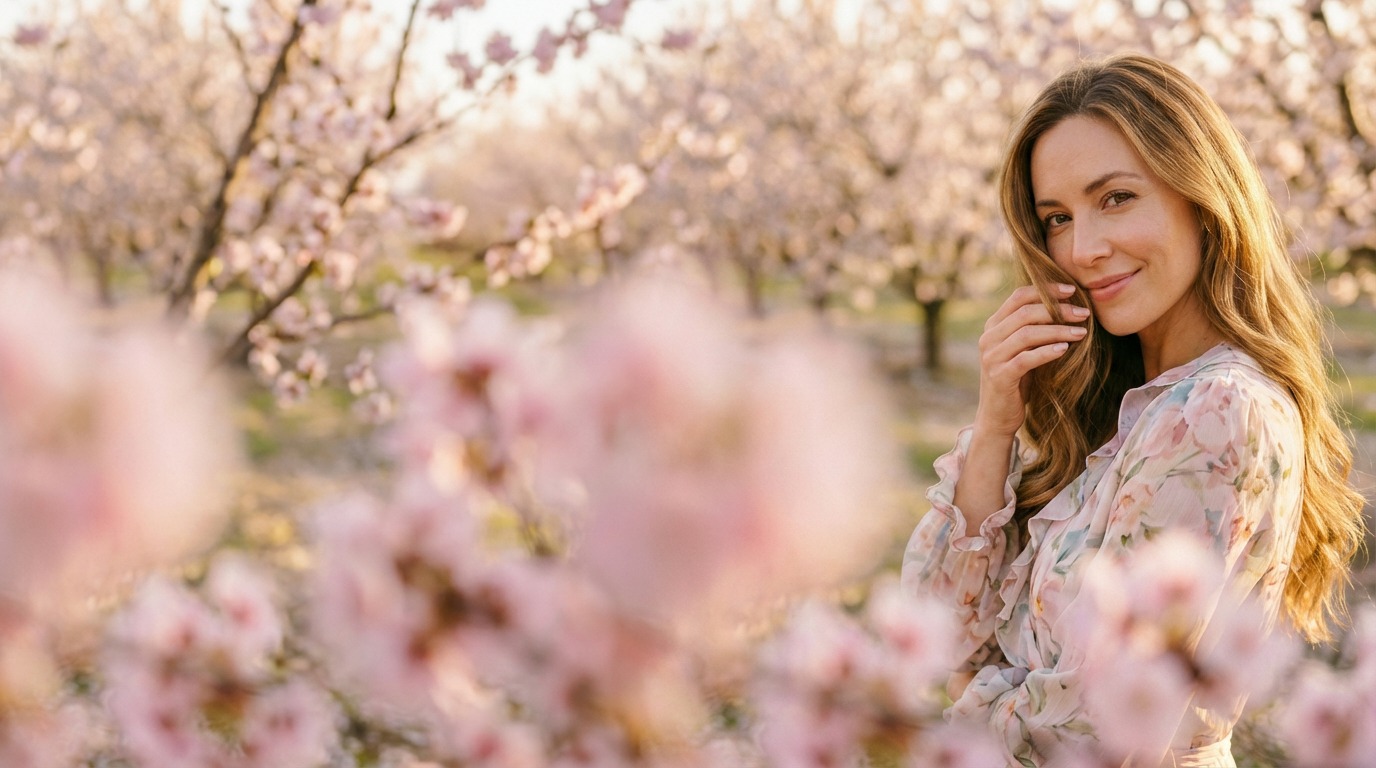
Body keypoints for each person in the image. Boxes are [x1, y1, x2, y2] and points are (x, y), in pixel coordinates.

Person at [900, 53, 1366, 767]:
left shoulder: (1216, 411)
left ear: (1201, 197)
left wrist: (971, 696)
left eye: (1116, 197)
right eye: (1057, 218)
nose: (1083, 249)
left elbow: (1087, 731)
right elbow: (935, 635)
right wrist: (995, 425)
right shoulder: (1120, 412)